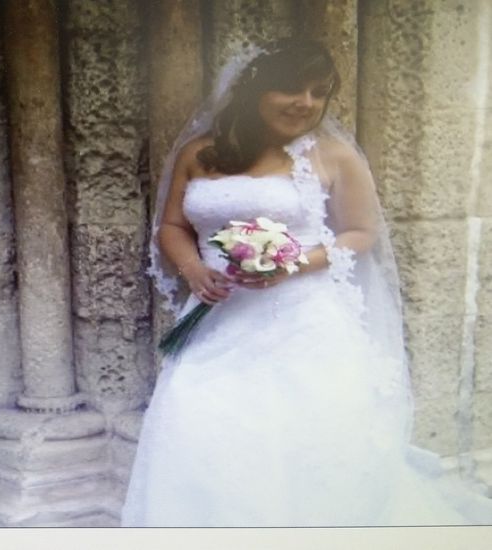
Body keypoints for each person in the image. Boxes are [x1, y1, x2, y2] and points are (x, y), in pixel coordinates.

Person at [121, 38, 492, 526]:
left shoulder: (333, 157)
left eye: (319, 93)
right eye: (291, 90)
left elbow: (360, 232)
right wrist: (193, 269)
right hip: (217, 317)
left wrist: (293, 262)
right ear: (255, 91)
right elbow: (171, 227)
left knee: (305, 432)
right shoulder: (199, 154)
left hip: (303, 322)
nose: (306, 103)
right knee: (200, 421)